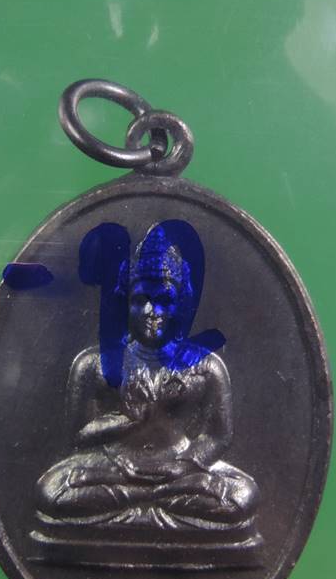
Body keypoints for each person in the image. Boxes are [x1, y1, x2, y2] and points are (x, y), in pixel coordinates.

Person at [35, 226, 260, 532]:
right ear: (126, 300)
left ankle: (139, 504)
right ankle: (155, 502)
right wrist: (127, 420)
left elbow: (218, 436)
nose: (152, 311)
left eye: (164, 299)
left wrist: (185, 463)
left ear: (181, 302)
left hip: (181, 469)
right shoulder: (95, 364)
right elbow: (78, 436)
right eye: (141, 299)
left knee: (243, 495)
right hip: (113, 468)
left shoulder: (205, 365)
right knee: (51, 489)